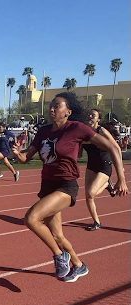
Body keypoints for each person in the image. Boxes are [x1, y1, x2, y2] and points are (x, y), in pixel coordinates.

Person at [11, 92, 128, 283]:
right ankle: (79, 265)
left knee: (31, 218)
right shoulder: (43, 131)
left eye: (57, 106)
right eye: (51, 105)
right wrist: (17, 153)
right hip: (48, 185)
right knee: (57, 235)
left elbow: (113, 148)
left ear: (68, 111)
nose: (52, 108)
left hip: (66, 186)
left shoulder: (76, 128)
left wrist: (121, 179)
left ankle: (59, 256)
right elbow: (25, 159)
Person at [80, 109, 123, 231]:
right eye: (89, 114)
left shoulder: (101, 131)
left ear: (98, 119)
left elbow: (116, 148)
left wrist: (121, 169)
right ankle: (96, 222)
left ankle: (106, 184)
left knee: (90, 193)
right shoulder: (83, 132)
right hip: (91, 165)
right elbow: (78, 154)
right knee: (88, 196)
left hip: (104, 164)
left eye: (93, 115)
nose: (90, 116)